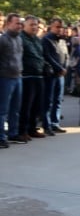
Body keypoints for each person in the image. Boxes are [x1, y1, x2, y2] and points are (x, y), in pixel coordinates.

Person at [18, 15, 46, 140]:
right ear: (24, 26)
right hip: (27, 76)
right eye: (31, 25)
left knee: (37, 105)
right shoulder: (21, 38)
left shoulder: (36, 39)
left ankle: (32, 128)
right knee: (26, 105)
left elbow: (40, 56)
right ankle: (22, 130)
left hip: (38, 75)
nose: (34, 27)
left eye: (36, 25)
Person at [0, 13, 24, 149]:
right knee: (3, 110)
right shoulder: (3, 40)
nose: (19, 26)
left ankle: (13, 134)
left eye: (20, 23)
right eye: (17, 23)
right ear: (8, 24)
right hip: (5, 78)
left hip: (18, 77)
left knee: (15, 109)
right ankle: (1, 137)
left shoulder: (19, 39)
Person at [42, 16, 69, 134]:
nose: (60, 29)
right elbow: (48, 56)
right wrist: (59, 68)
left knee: (58, 100)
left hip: (60, 75)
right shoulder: (46, 40)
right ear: (51, 26)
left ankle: (55, 123)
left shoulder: (62, 40)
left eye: (61, 27)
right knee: (48, 101)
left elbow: (67, 55)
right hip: (51, 75)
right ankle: (46, 125)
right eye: (57, 27)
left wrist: (65, 67)